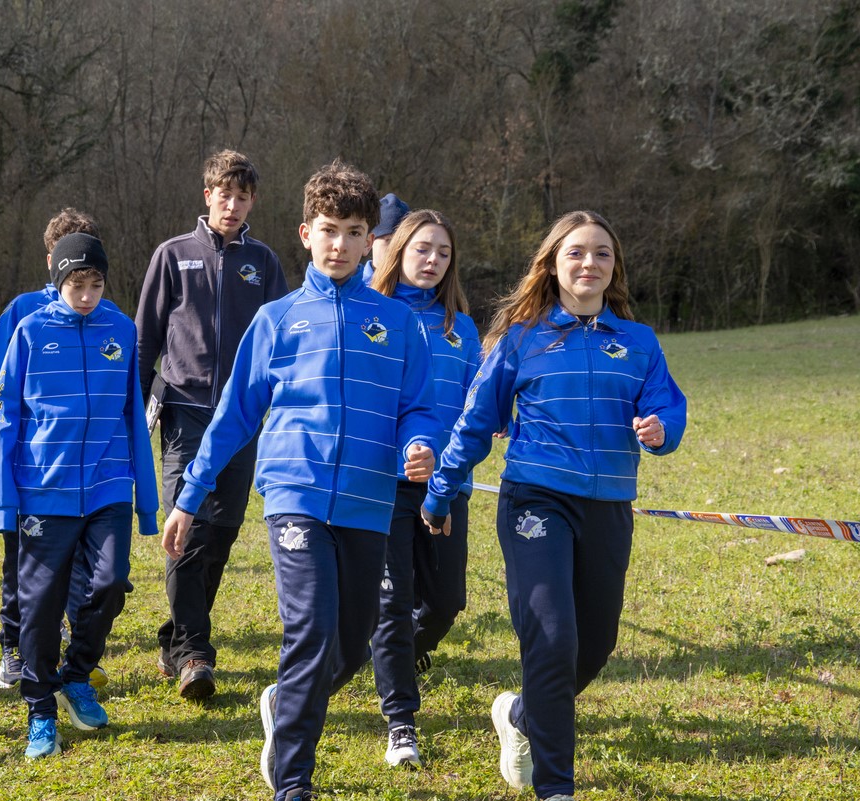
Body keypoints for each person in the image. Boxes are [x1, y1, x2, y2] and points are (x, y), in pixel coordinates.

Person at [162, 160, 439, 801]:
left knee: (351, 644)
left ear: (371, 240)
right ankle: (293, 783)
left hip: (368, 502)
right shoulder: (277, 320)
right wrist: (190, 497)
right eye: (328, 230)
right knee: (310, 631)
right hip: (295, 498)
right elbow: (233, 418)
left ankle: (286, 703)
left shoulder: (398, 324)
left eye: (353, 232)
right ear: (305, 234)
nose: (339, 244)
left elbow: (418, 406)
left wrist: (419, 443)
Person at [421, 210, 687, 801]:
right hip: (535, 501)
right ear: (553, 264)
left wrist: (660, 430)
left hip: (609, 506)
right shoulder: (522, 338)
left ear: (614, 267)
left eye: (602, 253)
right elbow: (475, 422)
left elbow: (669, 408)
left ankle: (520, 715)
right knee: (552, 636)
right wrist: (441, 491)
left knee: (595, 645)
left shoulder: (638, 342)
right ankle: (556, 788)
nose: (589, 263)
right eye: (576, 252)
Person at [0, 233, 158, 759]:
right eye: (75, 284)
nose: (86, 295)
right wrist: (4, 500)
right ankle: (40, 709)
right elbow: (3, 413)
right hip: (44, 488)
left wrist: (147, 500)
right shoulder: (31, 330)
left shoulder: (122, 329)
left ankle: (77, 675)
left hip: (108, 483)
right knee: (40, 607)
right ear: (58, 281)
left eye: (96, 284)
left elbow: (133, 413)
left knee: (110, 583)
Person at [137, 149, 288, 700]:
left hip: (242, 418)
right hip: (184, 411)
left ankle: (175, 638)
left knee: (220, 534)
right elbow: (146, 339)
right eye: (224, 195)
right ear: (208, 196)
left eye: (242, 197)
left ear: (252, 202)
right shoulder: (173, 255)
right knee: (187, 529)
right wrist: (133, 411)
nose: (232, 205)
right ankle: (195, 653)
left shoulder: (264, 263)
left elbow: (283, 343)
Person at [0, 207, 107, 690]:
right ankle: (13, 645)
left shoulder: (107, 317)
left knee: (83, 565)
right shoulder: (24, 311)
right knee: (22, 557)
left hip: (88, 471)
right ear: (51, 258)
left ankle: (70, 652)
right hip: (32, 466)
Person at [367, 210, 482, 768]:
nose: (433, 260)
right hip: (383, 483)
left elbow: (478, 402)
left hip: (446, 484)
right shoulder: (373, 314)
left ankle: (391, 655)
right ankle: (401, 723)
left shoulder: (462, 327)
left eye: (443, 252)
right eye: (422, 248)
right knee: (392, 602)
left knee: (445, 602)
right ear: (398, 252)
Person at [364, 193, 411, 279]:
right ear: (370, 242)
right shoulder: (353, 284)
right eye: (389, 240)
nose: (396, 249)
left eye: (403, 242)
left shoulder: (420, 285)